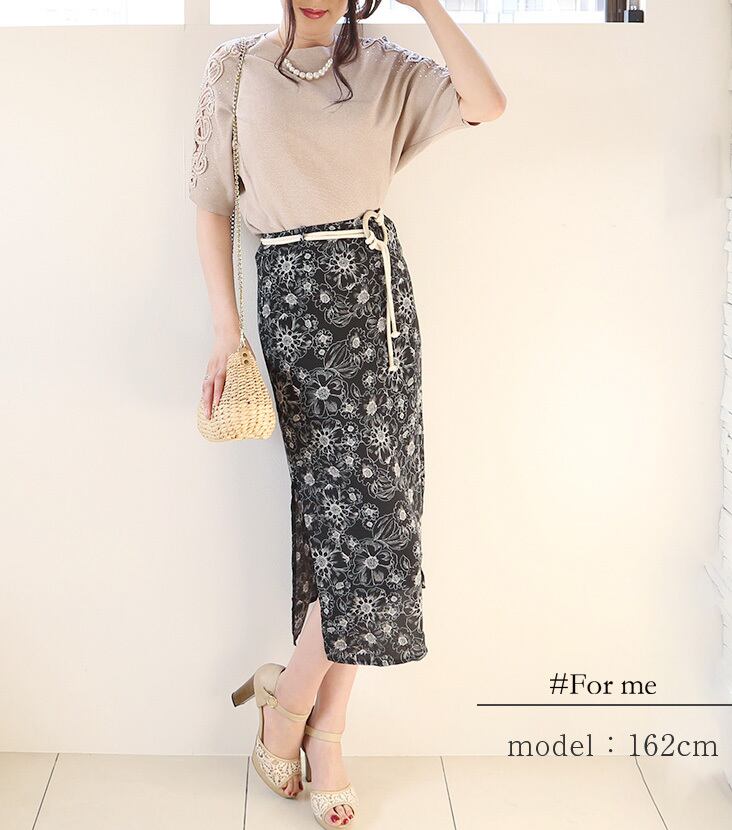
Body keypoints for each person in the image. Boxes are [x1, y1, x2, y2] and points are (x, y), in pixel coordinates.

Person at [188, 2, 506, 827]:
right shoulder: (236, 69)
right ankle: (307, 719)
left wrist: (428, 4)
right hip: (294, 303)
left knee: (380, 518)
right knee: (350, 523)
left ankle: (304, 714)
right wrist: (225, 329)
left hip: (378, 301)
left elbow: (487, 102)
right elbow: (213, 201)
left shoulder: (387, 67)